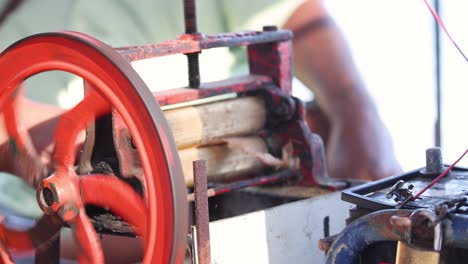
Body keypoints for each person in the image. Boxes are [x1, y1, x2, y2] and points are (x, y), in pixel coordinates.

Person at [0, 0, 402, 261]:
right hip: (36, 222)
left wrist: (355, 112)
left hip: (181, 196)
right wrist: (70, 149)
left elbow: (294, 12)